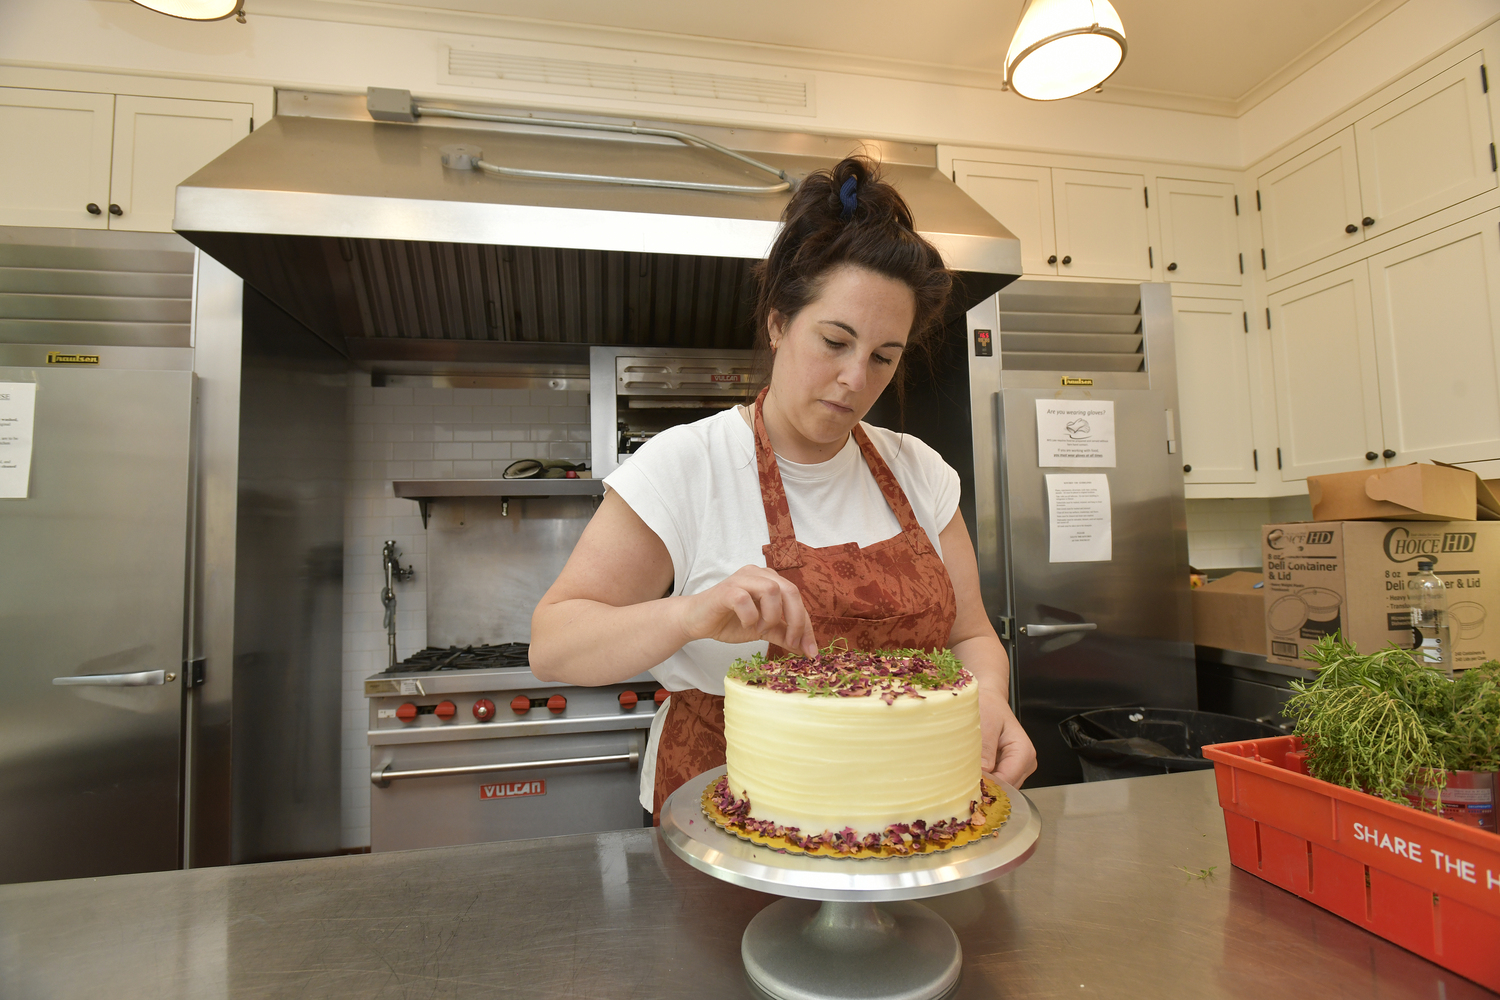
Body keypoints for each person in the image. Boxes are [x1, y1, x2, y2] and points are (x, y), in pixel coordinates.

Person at [530, 155, 1037, 823]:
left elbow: (970, 636)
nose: (856, 378)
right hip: (728, 820)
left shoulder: (920, 472)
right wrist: (688, 614)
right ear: (777, 324)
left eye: (885, 356)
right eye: (835, 341)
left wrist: (991, 698)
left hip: (902, 817)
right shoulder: (687, 465)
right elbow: (555, 644)